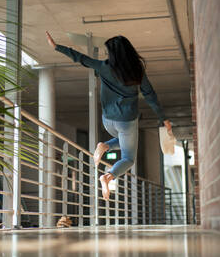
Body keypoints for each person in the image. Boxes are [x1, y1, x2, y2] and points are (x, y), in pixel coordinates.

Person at [45, 31, 172, 200]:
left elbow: (81, 58)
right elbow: (150, 95)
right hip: (126, 121)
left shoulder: (104, 67)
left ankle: (105, 146)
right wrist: (163, 118)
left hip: (108, 120)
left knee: (127, 142)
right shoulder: (136, 70)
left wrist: (57, 47)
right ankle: (108, 176)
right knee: (128, 158)